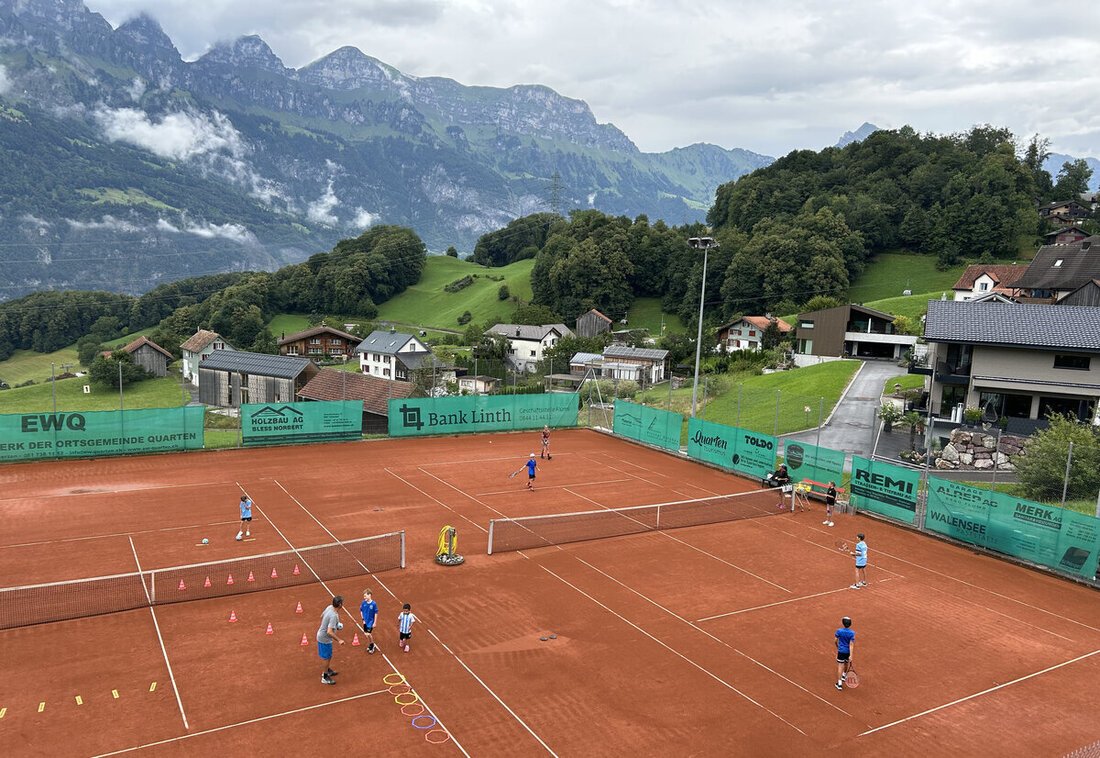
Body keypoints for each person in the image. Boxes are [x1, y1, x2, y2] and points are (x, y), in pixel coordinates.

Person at [317, 595, 346, 685]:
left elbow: (322, 615)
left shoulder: (329, 607)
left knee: (328, 657)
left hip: (322, 635)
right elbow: (329, 632)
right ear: (340, 605)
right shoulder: (333, 615)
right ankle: (325, 677)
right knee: (327, 658)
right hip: (324, 639)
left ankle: (328, 670)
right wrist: (339, 640)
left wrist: (335, 625)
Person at [834, 616, 855, 690]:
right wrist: (851, 656)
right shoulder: (852, 633)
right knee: (846, 663)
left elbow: (835, 641)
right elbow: (851, 645)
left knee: (840, 666)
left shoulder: (839, 631)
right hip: (847, 652)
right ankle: (844, 675)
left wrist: (838, 647)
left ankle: (839, 684)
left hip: (841, 651)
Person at [360, 589, 379, 654]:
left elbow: (376, 613)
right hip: (365, 621)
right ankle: (371, 643)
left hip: (371, 622)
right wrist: (363, 620)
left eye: (365, 596)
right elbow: (361, 611)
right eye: (364, 596)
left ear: (369, 595)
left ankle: (372, 645)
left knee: (368, 634)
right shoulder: (363, 603)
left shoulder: (374, 604)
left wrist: (375, 622)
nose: (364, 597)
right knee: (366, 634)